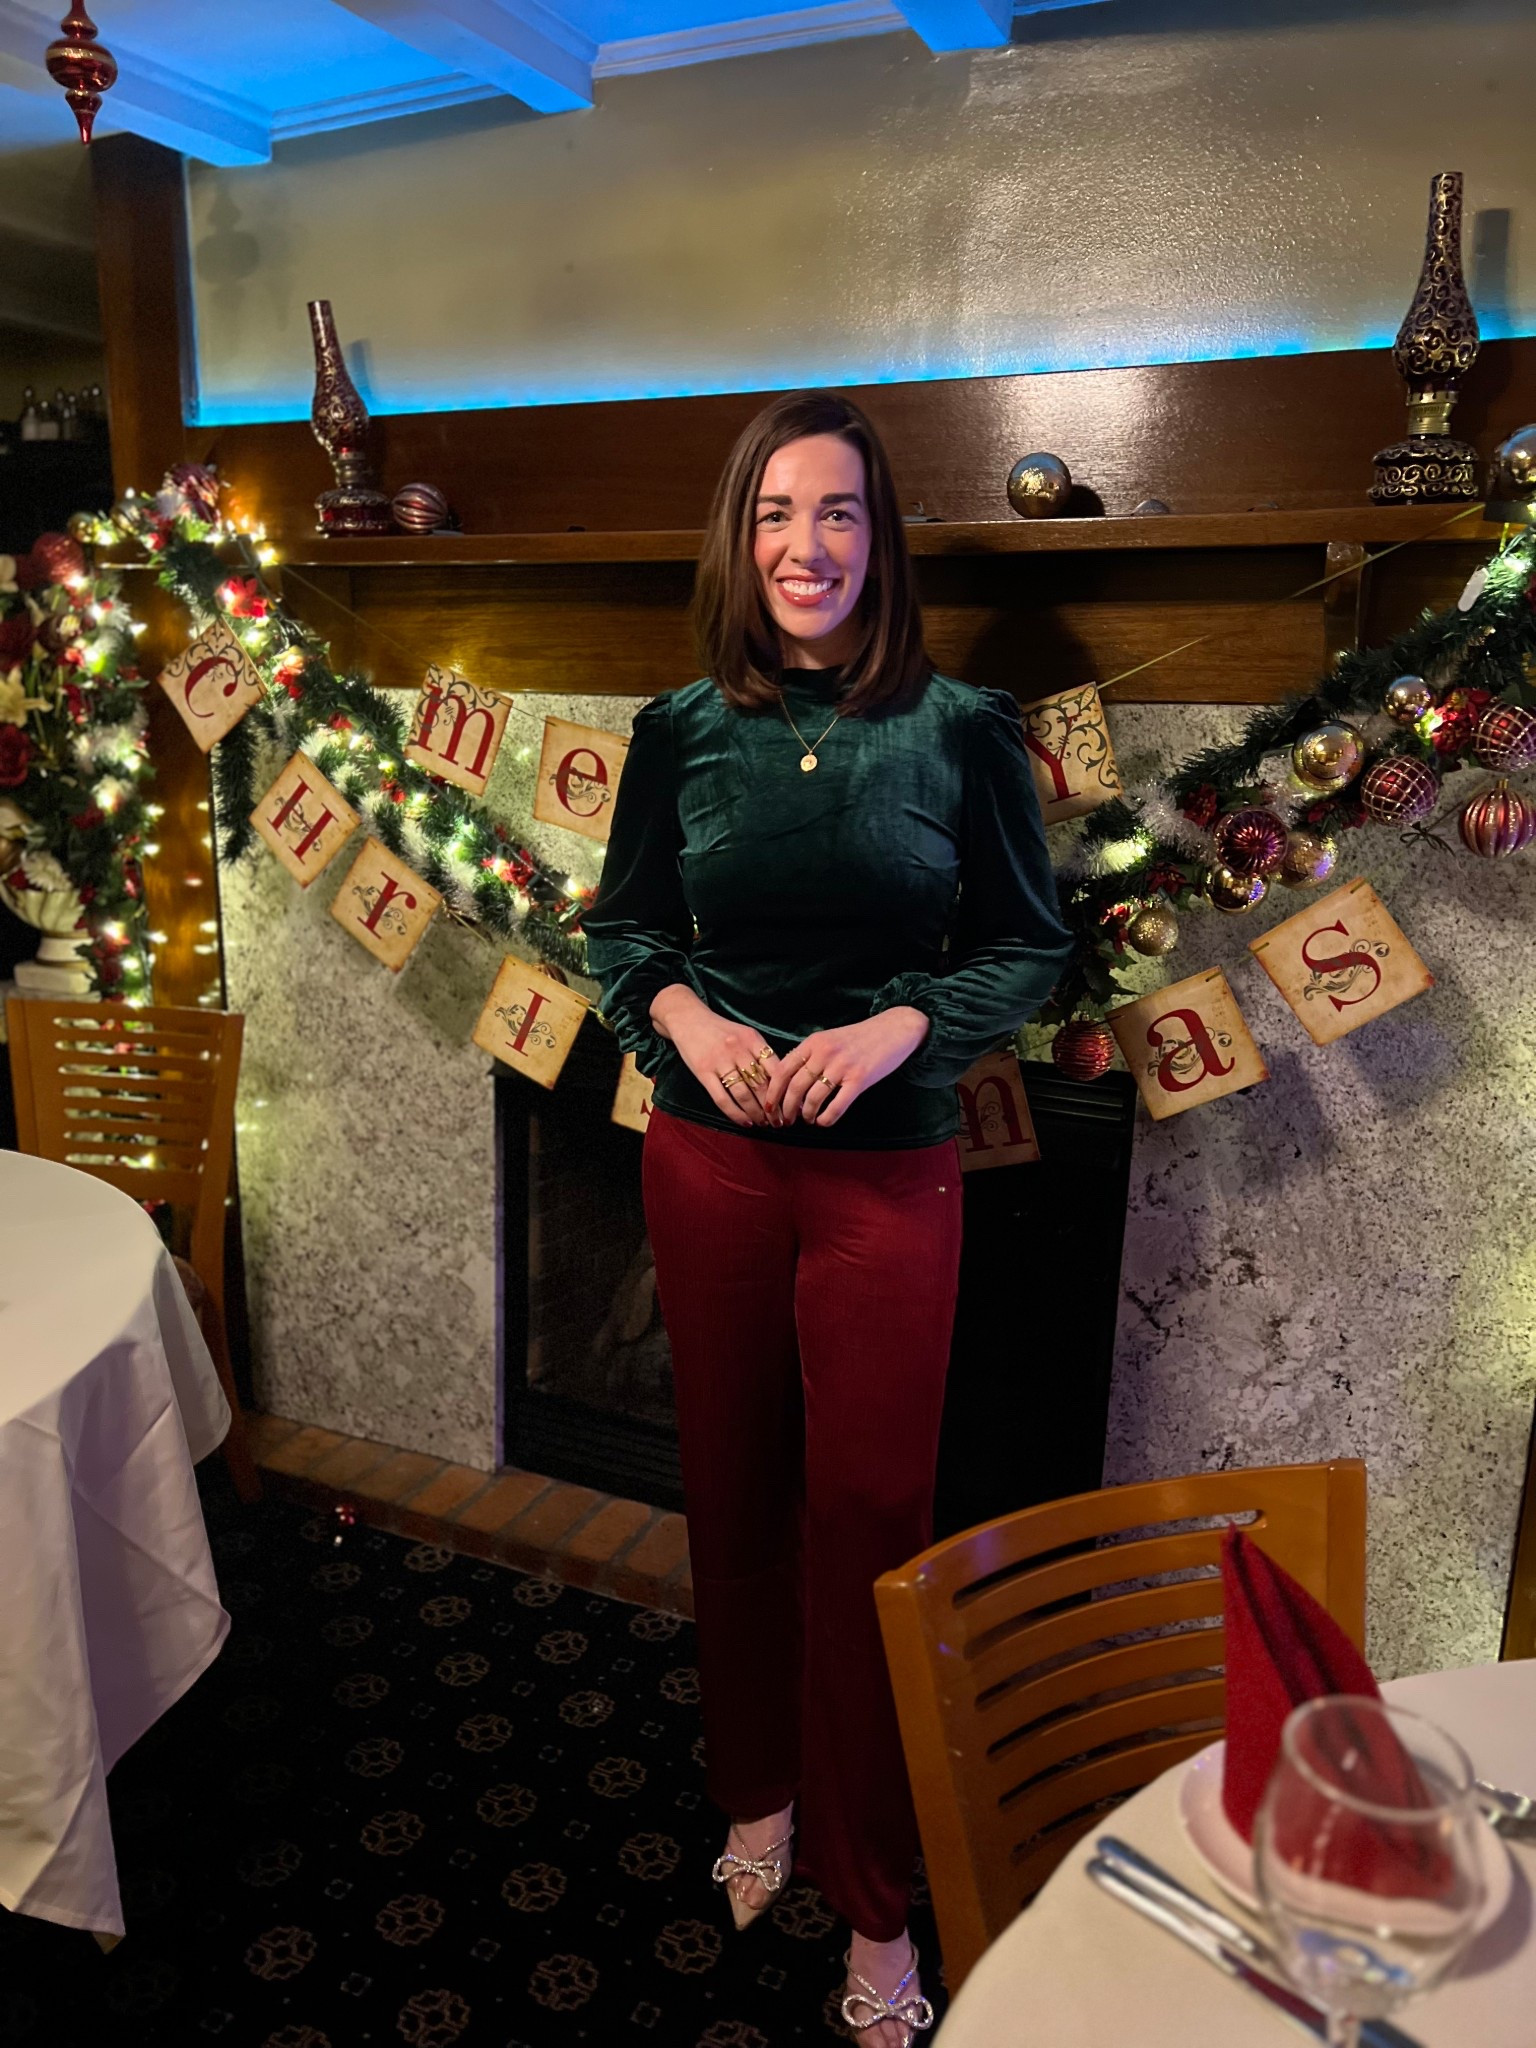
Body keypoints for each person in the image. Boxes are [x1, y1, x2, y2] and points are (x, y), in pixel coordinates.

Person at [581, 390, 1074, 2043]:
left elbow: (1029, 944)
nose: (808, 545)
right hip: (709, 1162)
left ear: (882, 539)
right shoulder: (676, 730)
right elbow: (624, 935)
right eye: (777, 513)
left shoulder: (963, 728)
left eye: (840, 511)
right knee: (730, 1490)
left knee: (870, 1518)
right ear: (741, 539)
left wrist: (899, 1028)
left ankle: (875, 1898)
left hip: (889, 1173)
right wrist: (685, 1019)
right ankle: (757, 1791)